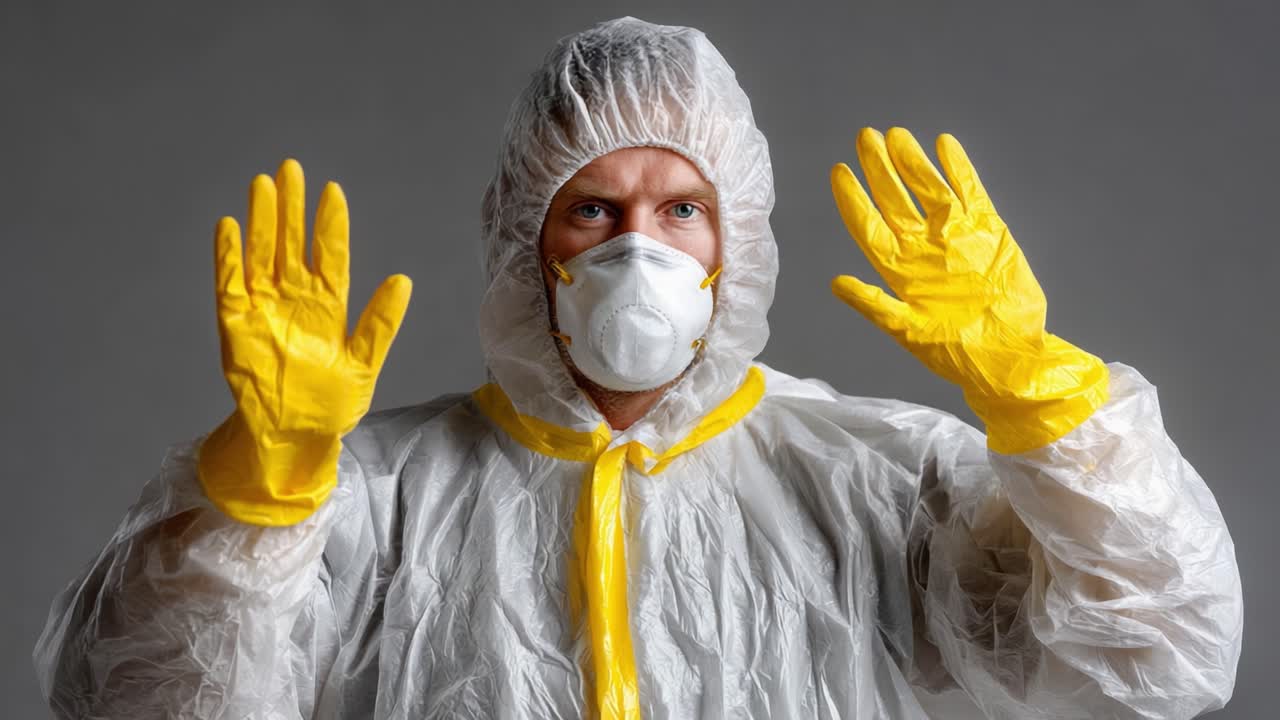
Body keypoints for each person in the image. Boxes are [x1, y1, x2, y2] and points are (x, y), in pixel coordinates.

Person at [35, 16, 1242, 720]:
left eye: (680, 211)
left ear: (735, 246)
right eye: (592, 212)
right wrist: (259, 491)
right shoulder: (374, 496)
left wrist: (1035, 389)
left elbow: (1162, 656)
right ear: (525, 241)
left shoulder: (872, 479)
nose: (637, 250)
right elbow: (131, 700)